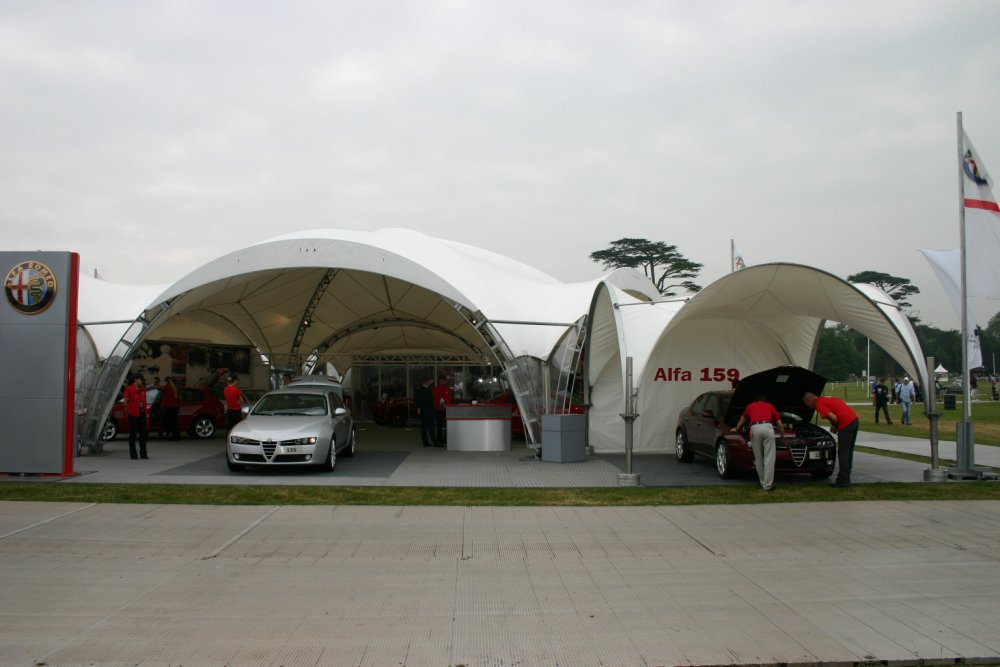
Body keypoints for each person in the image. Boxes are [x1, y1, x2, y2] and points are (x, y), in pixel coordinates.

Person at [803, 392, 859, 487]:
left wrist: (835, 425)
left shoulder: (819, 404)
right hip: (854, 420)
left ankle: (843, 480)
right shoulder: (825, 399)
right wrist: (834, 425)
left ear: (809, 400)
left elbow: (833, 417)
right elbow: (834, 413)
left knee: (843, 452)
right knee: (849, 451)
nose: (808, 406)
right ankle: (846, 477)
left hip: (846, 424)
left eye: (806, 404)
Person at [730, 395, 785, 491]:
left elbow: (742, 419)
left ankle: (763, 483)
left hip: (755, 429)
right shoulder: (770, 406)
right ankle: (768, 485)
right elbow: (779, 423)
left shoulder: (750, 406)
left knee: (758, 458)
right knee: (769, 458)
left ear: (755, 400)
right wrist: (782, 434)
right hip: (768, 427)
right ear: (765, 400)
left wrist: (736, 428)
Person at [123, 374, 149, 459]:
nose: (142, 381)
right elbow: (125, 403)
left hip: (141, 413)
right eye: (140, 379)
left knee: (143, 434)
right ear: (136, 380)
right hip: (133, 414)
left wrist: (145, 412)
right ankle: (133, 454)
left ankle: (143, 453)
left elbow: (144, 401)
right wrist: (128, 413)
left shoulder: (143, 389)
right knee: (133, 434)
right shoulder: (129, 389)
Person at [415, 377, 438, 447]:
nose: (431, 383)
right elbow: (429, 401)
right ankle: (435, 443)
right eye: (430, 381)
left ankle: (425, 442)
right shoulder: (427, 390)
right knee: (431, 428)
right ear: (426, 381)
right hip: (428, 411)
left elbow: (417, 401)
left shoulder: (419, 390)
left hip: (423, 412)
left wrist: (419, 409)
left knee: (423, 428)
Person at [431, 374, 452, 445]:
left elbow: (449, 398)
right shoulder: (435, 389)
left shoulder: (448, 389)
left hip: (446, 409)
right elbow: (434, 399)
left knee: (447, 425)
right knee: (439, 425)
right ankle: (439, 440)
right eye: (441, 380)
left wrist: (447, 405)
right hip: (438, 409)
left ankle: (446, 440)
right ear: (439, 380)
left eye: (444, 380)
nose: (442, 381)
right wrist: (438, 404)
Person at [160, 376, 181, 440]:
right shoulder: (174, 387)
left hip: (170, 406)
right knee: (173, 421)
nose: (164, 382)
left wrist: (155, 385)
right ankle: (174, 434)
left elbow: (161, 388)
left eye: (165, 381)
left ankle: (175, 435)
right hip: (175, 406)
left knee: (171, 422)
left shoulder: (168, 386)